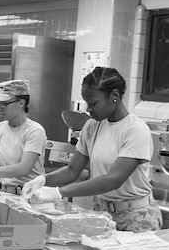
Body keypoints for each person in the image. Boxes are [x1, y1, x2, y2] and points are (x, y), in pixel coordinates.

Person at [22, 67, 161, 232]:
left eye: (93, 103)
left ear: (114, 96)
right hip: (102, 213)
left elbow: (113, 179)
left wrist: (58, 192)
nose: (88, 109)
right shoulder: (92, 125)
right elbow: (73, 170)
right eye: (87, 102)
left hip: (136, 216)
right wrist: (43, 180)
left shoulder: (135, 130)